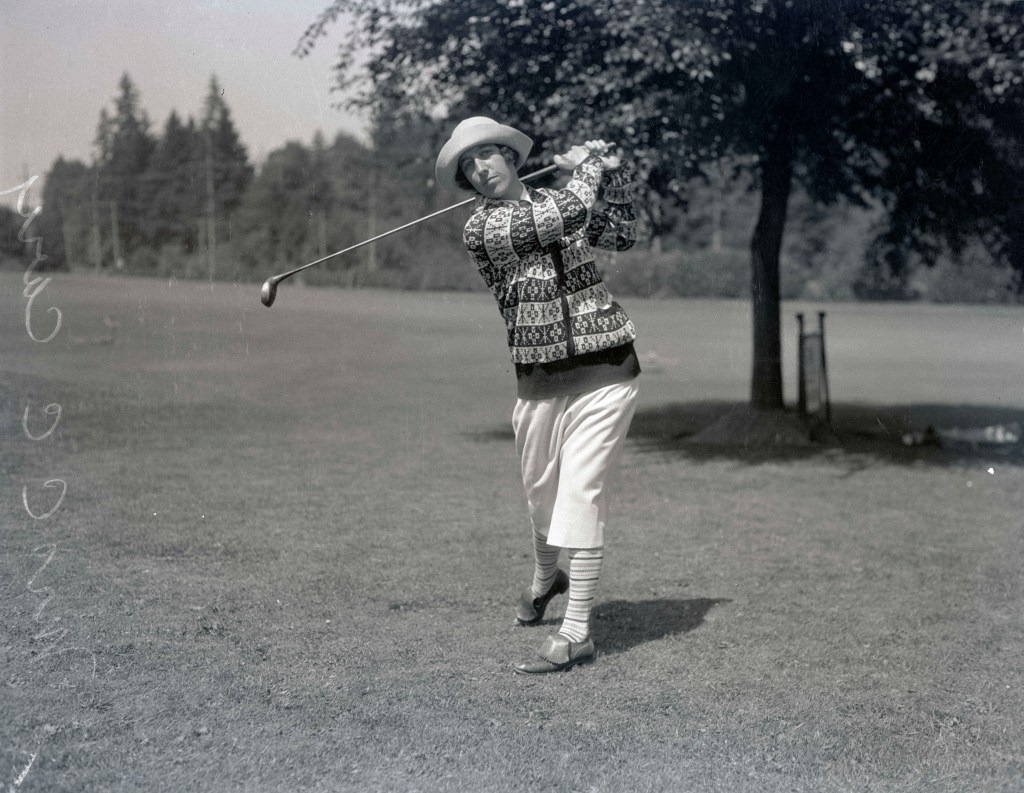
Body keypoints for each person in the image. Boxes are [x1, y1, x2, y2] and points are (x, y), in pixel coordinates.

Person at [435, 116, 641, 674]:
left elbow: (622, 233)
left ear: (510, 157)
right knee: (542, 499)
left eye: (488, 156)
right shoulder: (483, 229)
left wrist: (614, 176)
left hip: (607, 366)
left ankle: (576, 635)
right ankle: (547, 578)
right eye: (468, 167)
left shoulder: (560, 199)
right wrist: (590, 167)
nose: (480, 169)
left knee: (582, 492)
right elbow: (557, 216)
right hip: (539, 379)